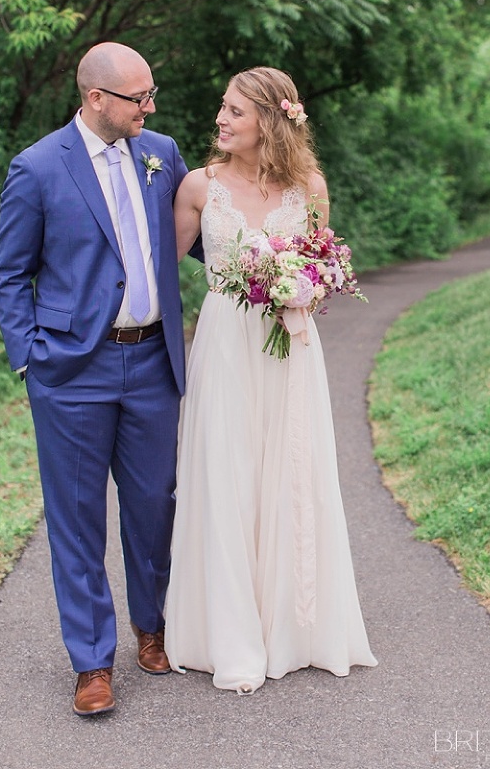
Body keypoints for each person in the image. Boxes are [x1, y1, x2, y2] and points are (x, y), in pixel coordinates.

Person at [0, 42, 196, 717]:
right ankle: (90, 663)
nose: (151, 105)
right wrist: (28, 356)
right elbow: (10, 273)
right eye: (138, 97)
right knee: (77, 518)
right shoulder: (38, 167)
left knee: (154, 504)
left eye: (151, 92)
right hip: (70, 370)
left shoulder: (161, 153)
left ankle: (154, 625)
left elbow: (203, 229)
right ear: (95, 99)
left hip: (151, 362)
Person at [165, 66, 377, 693]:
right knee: (228, 472)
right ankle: (229, 632)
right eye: (221, 109)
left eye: (234, 111)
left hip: (289, 348)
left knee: (290, 472)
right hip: (226, 343)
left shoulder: (309, 185)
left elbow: (322, 261)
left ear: (269, 120)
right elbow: (157, 268)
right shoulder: (197, 187)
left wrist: (305, 288)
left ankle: (296, 627)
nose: (221, 120)